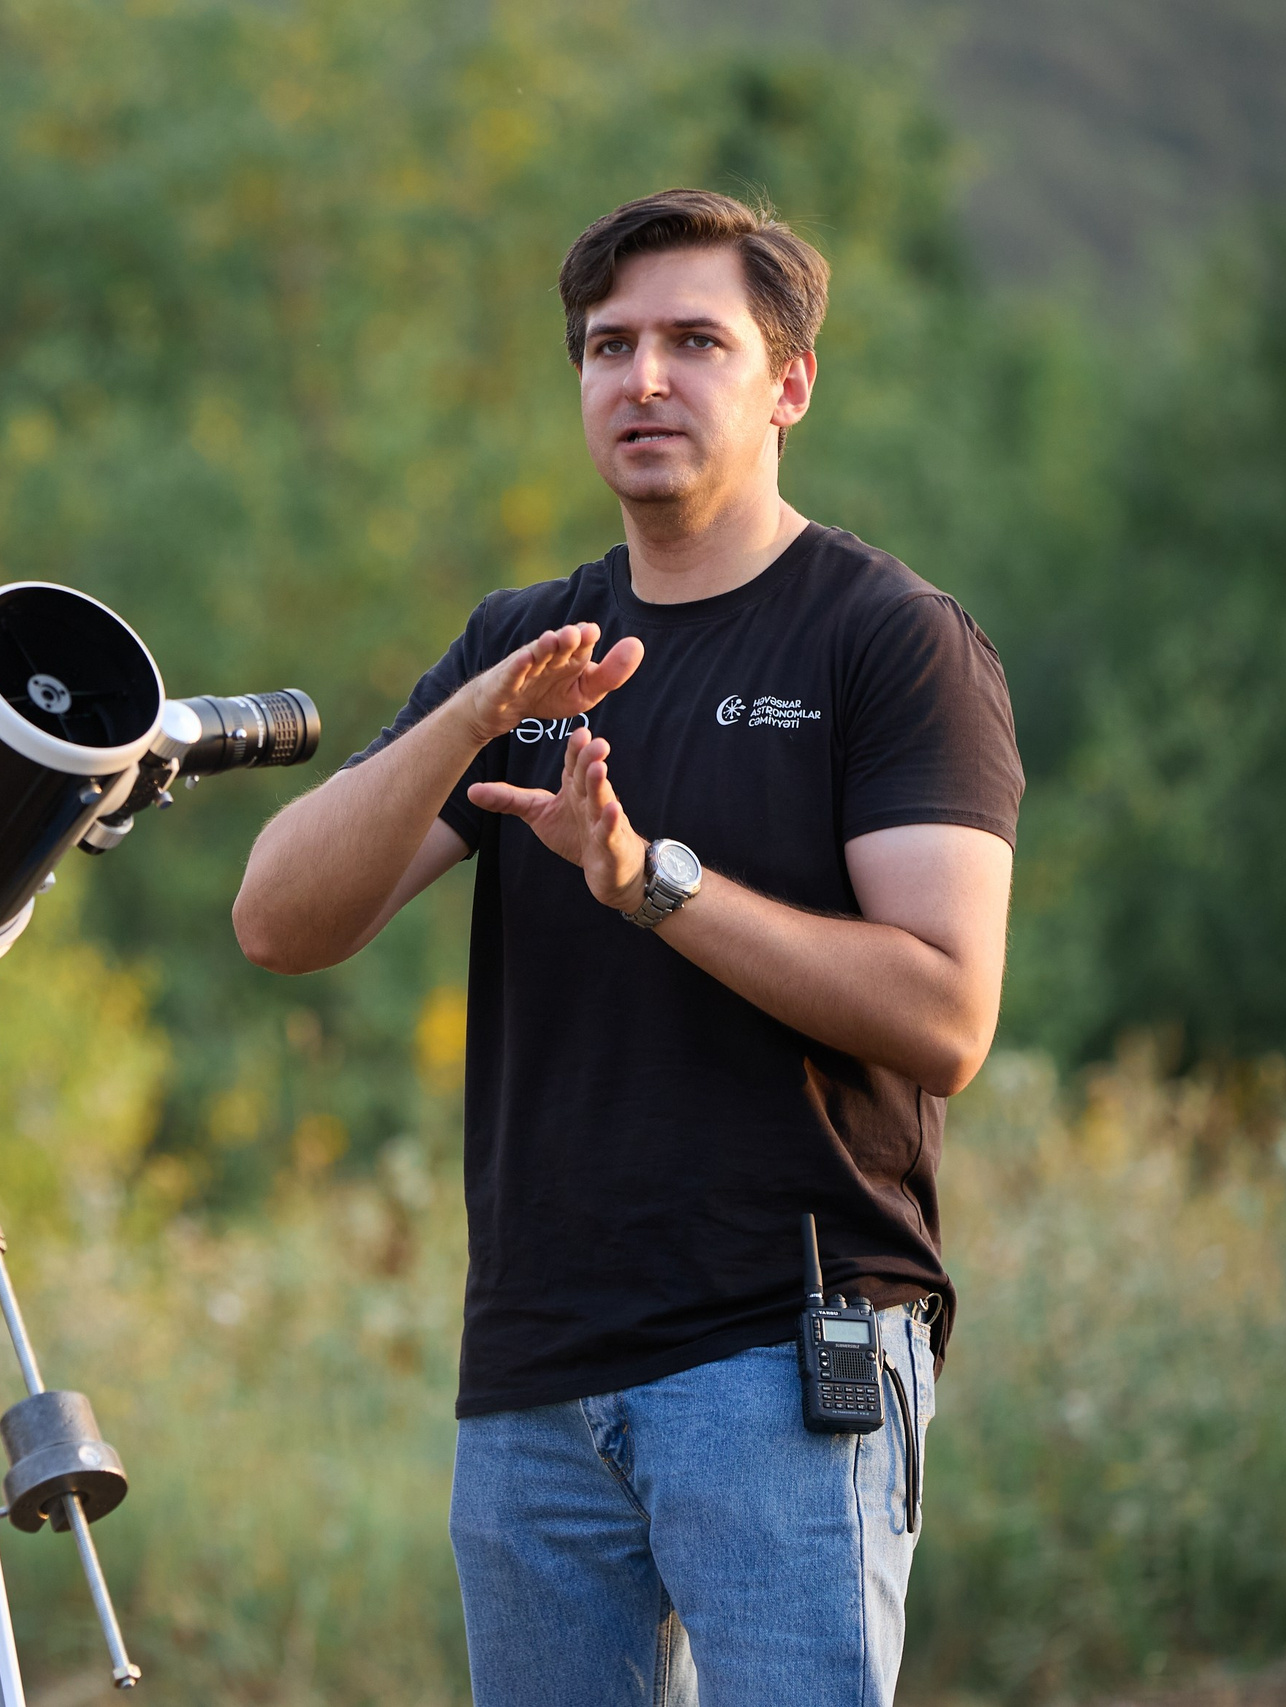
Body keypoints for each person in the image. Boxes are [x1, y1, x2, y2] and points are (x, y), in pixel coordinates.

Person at [232, 189, 1024, 1705]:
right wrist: (475, 714)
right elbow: (277, 919)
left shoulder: (887, 638)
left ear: (789, 384)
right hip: (532, 1376)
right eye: (609, 346)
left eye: (694, 342)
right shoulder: (527, 648)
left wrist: (650, 880)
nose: (643, 377)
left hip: (783, 1354)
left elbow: (946, 1015)